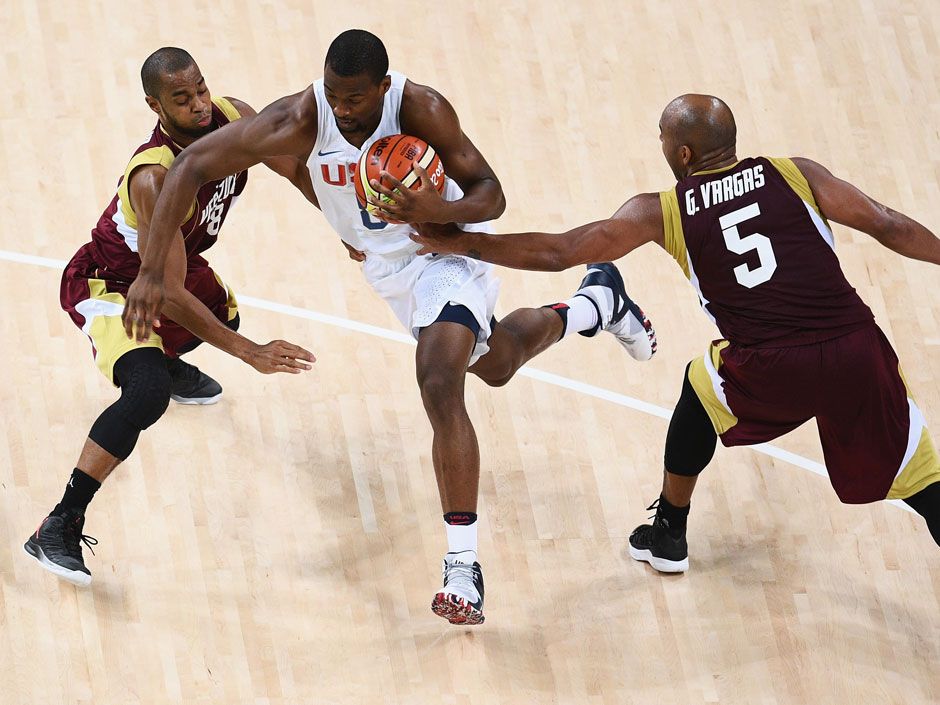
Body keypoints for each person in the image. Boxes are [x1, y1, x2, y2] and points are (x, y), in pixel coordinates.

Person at [121, 30, 657, 625]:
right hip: (387, 267)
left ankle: (462, 567)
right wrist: (149, 272)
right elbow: (192, 164)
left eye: (353, 98)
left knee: (438, 379)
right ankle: (595, 305)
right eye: (333, 95)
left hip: (446, 249)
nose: (341, 110)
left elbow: (490, 194)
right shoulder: (304, 115)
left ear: (381, 87)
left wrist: (439, 213)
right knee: (496, 364)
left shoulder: (421, 107)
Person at [411, 94, 940, 572]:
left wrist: (463, 245)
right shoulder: (796, 173)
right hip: (855, 350)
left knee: (700, 390)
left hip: (768, 367)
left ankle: (669, 533)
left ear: (683, 154)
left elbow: (562, 251)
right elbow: (887, 224)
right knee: (922, 479)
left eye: (663, 137)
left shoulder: (664, 211)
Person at [24, 48, 315, 587]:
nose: (201, 105)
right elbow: (170, 293)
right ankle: (59, 523)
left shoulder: (232, 117)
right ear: (155, 107)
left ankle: (167, 354)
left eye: (201, 89)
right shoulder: (154, 178)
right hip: (118, 283)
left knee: (223, 306)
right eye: (183, 99)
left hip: (179, 266)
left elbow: (292, 163)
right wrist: (251, 352)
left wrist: (349, 222)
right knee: (147, 392)